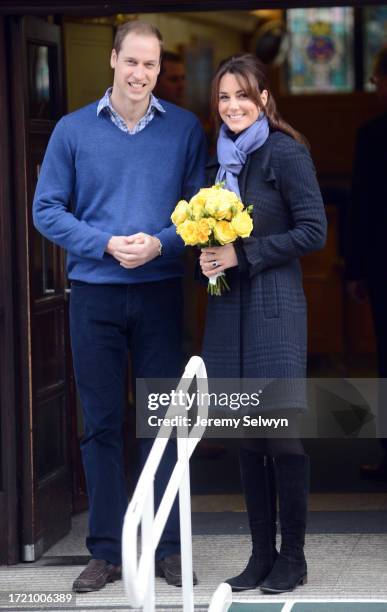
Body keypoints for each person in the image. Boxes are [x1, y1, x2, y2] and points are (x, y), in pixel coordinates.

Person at [33, 20, 206, 592]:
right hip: (94, 296)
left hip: (159, 292)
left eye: (151, 65)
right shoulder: (72, 130)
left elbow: (202, 208)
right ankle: (106, 550)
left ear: (159, 69)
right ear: (112, 60)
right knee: (100, 423)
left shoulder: (184, 128)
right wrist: (104, 244)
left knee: (163, 423)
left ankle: (169, 547)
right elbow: (46, 209)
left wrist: (162, 241)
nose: (140, 74)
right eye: (131, 62)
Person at [199, 54, 327, 594]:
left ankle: (293, 558)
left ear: (264, 99)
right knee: (245, 440)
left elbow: (312, 230)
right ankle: (260, 557)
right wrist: (207, 254)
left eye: (242, 96)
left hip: (275, 309)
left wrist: (243, 255)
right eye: (224, 98)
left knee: (280, 438)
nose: (232, 107)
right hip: (229, 313)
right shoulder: (219, 160)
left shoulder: (284, 151)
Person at [347, 47, 387, 480]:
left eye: (377, 81)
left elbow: (364, 206)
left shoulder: (373, 134)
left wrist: (355, 268)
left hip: (382, 264)